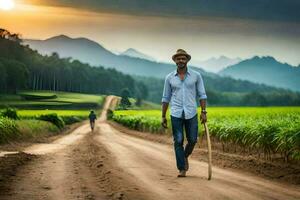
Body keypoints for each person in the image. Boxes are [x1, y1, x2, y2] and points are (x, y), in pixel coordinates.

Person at [161, 49, 207, 177]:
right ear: (175, 60)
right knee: (179, 140)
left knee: (192, 139)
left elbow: (202, 95)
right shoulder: (169, 78)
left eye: (183, 58)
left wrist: (203, 112)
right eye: (178, 58)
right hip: (175, 113)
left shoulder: (196, 76)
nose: (181, 60)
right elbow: (165, 98)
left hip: (191, 112)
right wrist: (163, 116)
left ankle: (184, 155)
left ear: (187, 60)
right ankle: (182, 168)